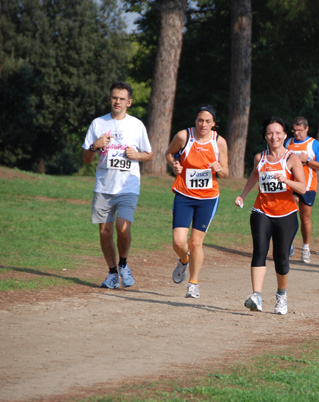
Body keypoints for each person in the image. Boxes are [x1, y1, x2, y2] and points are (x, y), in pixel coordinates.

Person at [81, 81, 153, 289]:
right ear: (109, 99)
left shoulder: (136, 125)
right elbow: (86, 158)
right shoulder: (98, 124)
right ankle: (112, 272)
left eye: (122, 99)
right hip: (104, 186)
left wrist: (136, 155)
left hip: (128, 186)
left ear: (129, 102)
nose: (117, 102)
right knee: (105, 231)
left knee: (122, 227)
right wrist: (95, 146)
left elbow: (149, 155)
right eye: (114, 98)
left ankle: (123, 263)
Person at [235, 116, 306, 315]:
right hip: (262, 210)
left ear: (285, 135)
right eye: (269, 133)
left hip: (286, 213)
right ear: (265, 136)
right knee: (259, 250)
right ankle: (256, 295)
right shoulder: (261, 157)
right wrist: (243, 195)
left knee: (281, 256)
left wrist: (286, 181)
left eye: (277, 133)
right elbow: (254, 175)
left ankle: (281, 295)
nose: (273, 137)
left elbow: (303, 187)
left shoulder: (291, 158)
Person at [165, 105, 229, 299]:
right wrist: (174, 164)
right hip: (184, 195)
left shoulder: (219, 142)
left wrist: (219, 168)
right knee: (179, 242)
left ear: (214, 124)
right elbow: (169, 153)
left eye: (208, 121)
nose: (204, 124)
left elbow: (226, 172)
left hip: (208, 199)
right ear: (195, 121)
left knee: (195, 242)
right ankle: (184, 260)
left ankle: (193, 284)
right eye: (200, 120)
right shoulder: (184, 136)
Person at [285, 117, 319, 263]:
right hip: (290, 185)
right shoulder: (288, 143)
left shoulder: (314, 144)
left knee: (305, 218)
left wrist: (307, 161)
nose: (297, 134)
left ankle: (306, 247)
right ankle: (288, 245)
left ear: (306, 129)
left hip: (308, 186)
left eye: (300, 131)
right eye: (294, 130)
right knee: (290, 214)